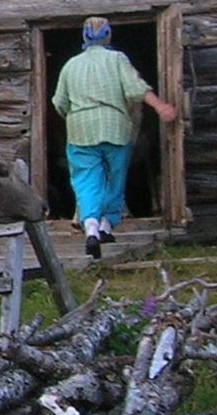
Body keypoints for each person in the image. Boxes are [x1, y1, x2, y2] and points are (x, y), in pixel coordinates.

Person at [51, 16, 178, 258]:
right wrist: (160, 106)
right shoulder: (118, 60)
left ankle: (90, 230)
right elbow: (136, 89)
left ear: (84, 36)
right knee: (114, 176)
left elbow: (60, 103)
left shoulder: (70, 65)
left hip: (81, 130)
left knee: (86, 180)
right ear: (108, 34)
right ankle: (106, 226)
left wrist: (77, 113)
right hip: (115, 127)